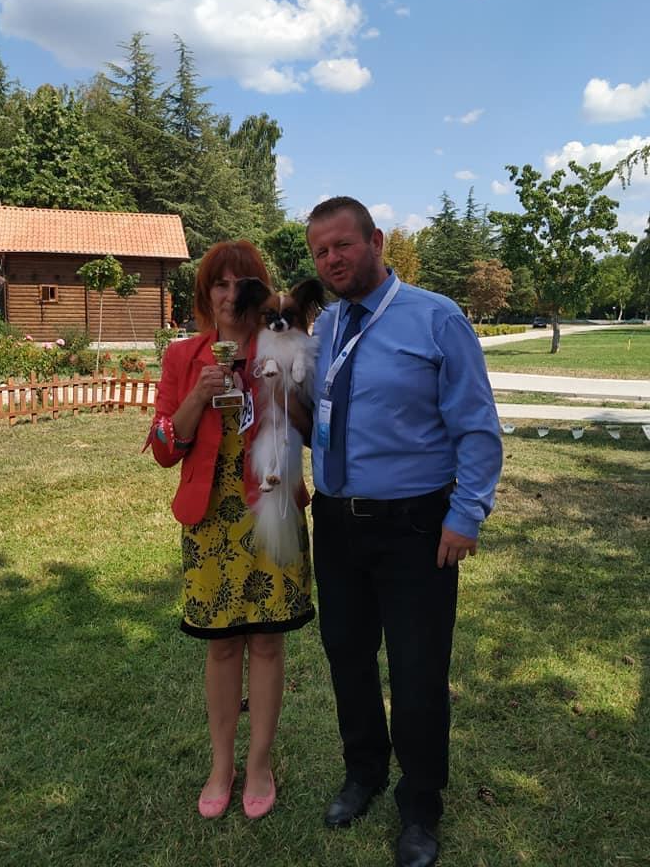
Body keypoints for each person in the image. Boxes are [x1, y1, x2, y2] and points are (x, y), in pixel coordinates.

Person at [305, 197, 503, 867]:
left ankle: (420, 804)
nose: (332, 260)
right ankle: (363, 772)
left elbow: (477, 425)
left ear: (377, 241)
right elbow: (322, 415)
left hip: (416, 527)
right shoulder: (327, 326)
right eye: (320, 251)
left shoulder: (436, 318)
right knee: (348, 656)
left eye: (343, 245)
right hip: (335, 523)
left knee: (417, 670)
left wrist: (466, 514)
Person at [146, 240, 314, 821]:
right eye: (220, 283)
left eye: (243, 283)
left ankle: (259, 763)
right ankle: (222, 766)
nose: (230, 294)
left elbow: (314, 426)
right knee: (221, 647)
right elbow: (164, 448)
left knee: (267, 642)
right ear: (206, 292)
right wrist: (197, 395)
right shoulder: (183, 356)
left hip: (272, 512)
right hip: (211, 519)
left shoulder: (283, 348)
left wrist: (277, 389)